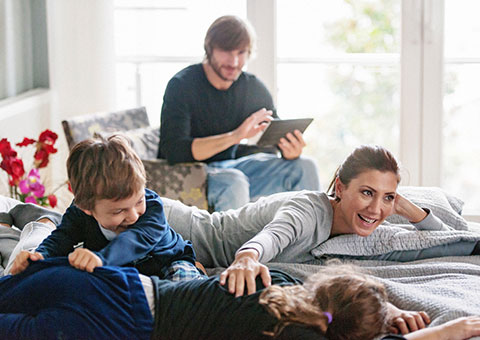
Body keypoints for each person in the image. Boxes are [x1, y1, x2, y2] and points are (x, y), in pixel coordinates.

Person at [158, 144, 480, 296]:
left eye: (387, 197)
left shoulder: (362, 227)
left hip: (176, 247)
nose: (375, 209)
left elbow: (440, 240)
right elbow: (273, 236)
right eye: (367, 193)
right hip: (179, 227)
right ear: (340, 187)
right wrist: (246, 258)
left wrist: (406, 209)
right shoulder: (308, 210)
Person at [1, 258, 462, 340]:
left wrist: (388, 308)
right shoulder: (292, 336)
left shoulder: (276, 281)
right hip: (124, 326)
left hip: (123, 285)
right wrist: (445, 332)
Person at [158, 15, 321, 211]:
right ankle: (238, 243)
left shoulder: (252, 87)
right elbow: (175, 151)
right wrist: (236, 136)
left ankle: (313, 240)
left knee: (305, 166)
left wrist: (290, 150)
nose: (234, 62)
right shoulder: (182, 85)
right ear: (209, 49)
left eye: (241, 52)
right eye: (226, 51)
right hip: (193, 171)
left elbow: (274, 136)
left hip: (234, 166)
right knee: (235, 181)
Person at [8, 134, 202, 281]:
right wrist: (39, 255)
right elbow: (61, 238)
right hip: (119, 273)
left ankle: (197, 270)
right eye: (119, 211)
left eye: (138, 201)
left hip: (168, 262)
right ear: (87, 208)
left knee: (183, 284)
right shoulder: (78, 213)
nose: (133, 216)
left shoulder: (152, 208)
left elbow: (135, 240)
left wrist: (100, 258)